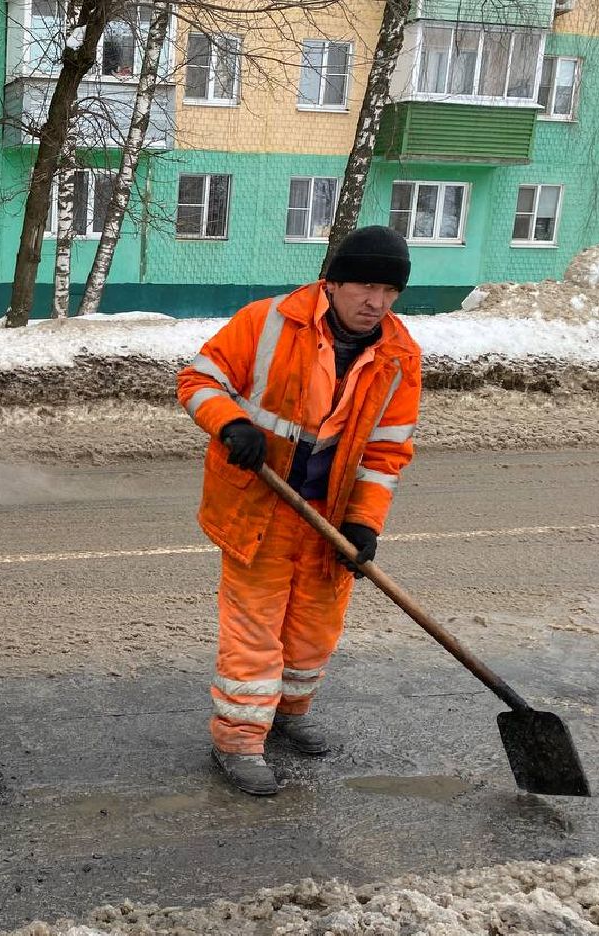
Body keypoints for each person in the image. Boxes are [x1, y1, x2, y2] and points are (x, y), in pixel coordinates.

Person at [177, 226, 422, 796]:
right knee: (255, 630)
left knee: (314, 631)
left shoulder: (399, 356)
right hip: (259, 507)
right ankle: (239, 740)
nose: (377, 302)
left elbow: (385, 453)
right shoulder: (267, 322)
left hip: (328, 518)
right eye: (365, 286)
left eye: (389, 291)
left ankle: (288, 713)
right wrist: (231, 424)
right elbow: (198, 380)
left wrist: (363, 522)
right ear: (331, 283)